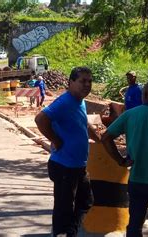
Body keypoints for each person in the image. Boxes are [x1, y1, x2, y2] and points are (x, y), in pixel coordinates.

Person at [35, 67, 101, 236]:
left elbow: (83, 123)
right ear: (71, 82)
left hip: (78, 165)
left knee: (86, 201)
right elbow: (41, 119)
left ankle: (70, 231)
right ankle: (61, 233)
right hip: (64, 165)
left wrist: (99, 137)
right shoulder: (65, 102)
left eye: (89, 81)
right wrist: (55, 139)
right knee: (64, 208)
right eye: (82, 81)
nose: (87, 85)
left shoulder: (80, 101)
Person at [101, 79, 148, 236]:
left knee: (135, 224)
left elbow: (106, 138)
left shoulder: (130, 115)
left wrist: (120, 160)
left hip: (138, 180)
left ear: (145, 94)